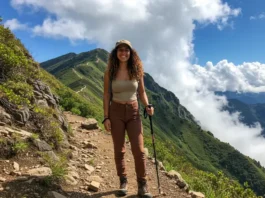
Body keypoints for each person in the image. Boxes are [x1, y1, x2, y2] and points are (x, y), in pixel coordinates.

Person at [103, 39, 154, 197]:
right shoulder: (109, 72)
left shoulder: (137, 71)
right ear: (115, 53)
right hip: (115, 111)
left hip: (133, 111)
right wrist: (106, 117)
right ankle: (123, 181)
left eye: (126, 50)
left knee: (139, 150)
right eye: (120, 50)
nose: (123, 53)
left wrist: (147, 105)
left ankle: (142, 184)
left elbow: (142, 92)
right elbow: (106, 94)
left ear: (131, 53)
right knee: (119, 149)